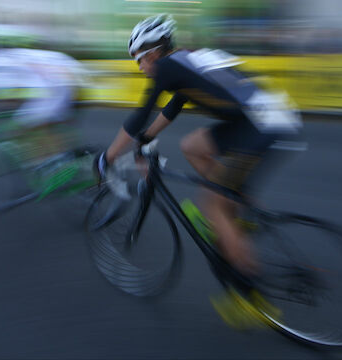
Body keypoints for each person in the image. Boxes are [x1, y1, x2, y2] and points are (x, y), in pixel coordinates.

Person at [95, 14, 302, 276]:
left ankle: (247, 290)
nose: (139, 67)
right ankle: (239, 208)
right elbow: (172, 107)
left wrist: (108, 157)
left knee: (211, 205)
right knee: (193, 145)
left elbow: (141, 114)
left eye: (138, 58)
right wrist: (145, 139)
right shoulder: (184, 59)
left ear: (153, 53)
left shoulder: (168, 67)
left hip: (261, 123)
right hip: (261, 116)